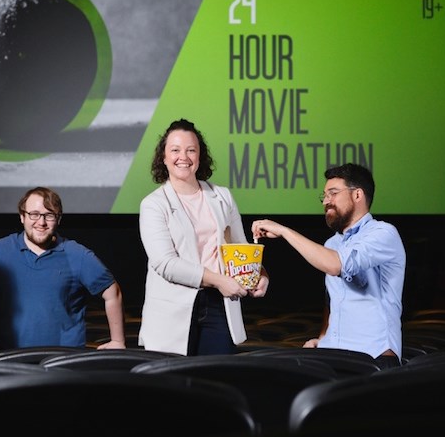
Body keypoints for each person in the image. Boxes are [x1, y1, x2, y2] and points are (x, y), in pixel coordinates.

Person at [251, 163, 406, 369]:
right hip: (335, 354)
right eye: (324, 195)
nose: (326, 201)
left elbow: (337, 265)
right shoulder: (332, 244)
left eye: (333, 193)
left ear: (357, 195)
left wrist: (285, 231)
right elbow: (333, 300)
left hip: (374, 357)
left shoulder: (383, 233)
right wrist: (324, 338)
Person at [138, 118, 269, 356]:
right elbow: (164, 263)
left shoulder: (222, 196)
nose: (183, 157)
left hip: (220, 304)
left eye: (191, 150)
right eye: (175, 150)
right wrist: (219, 280)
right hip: (173, 307)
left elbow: (240, 248)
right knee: (174, 386)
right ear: (164, 158)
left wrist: (259, 274)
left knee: (218, 381)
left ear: (200, 156)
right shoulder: (153, 204)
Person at [0, 186, 126, 356]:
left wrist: (118, 340)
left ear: (58, 219)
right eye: (34, 214)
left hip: (64, 359)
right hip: (9, 357)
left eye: (49, 215)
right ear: (22, 217)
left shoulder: (77, 254)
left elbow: (112, 293)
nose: (41, 222)